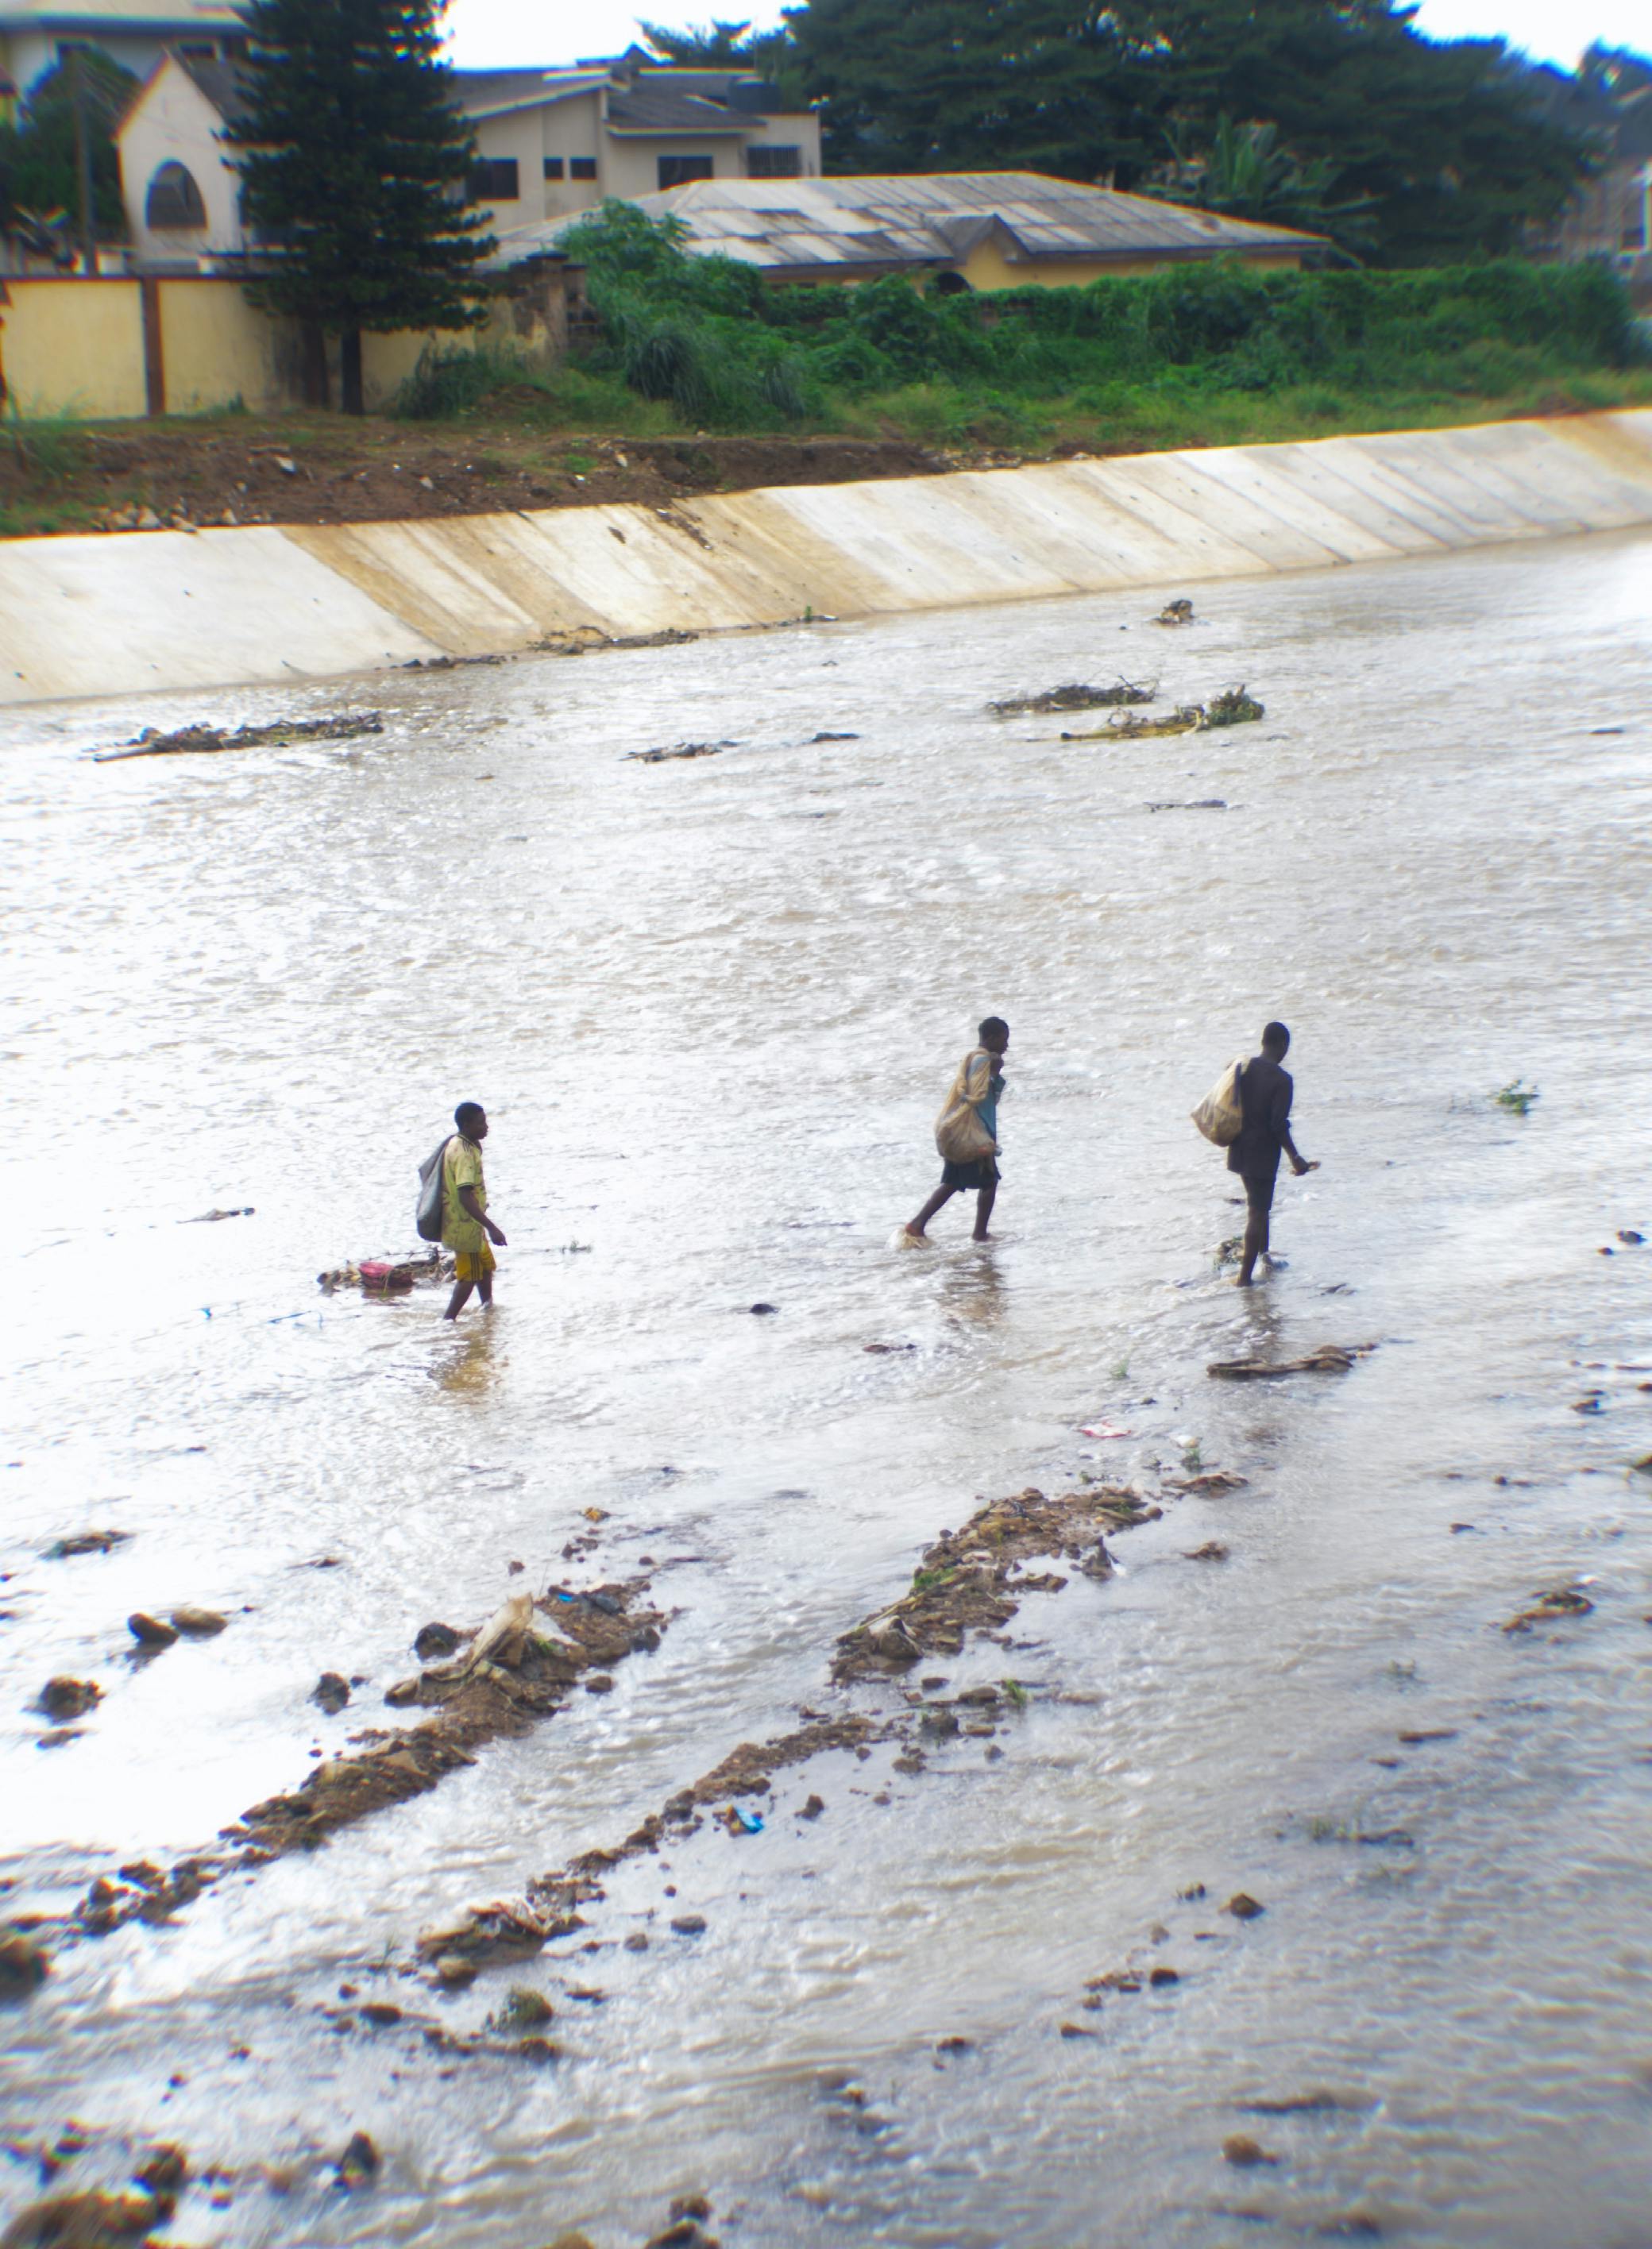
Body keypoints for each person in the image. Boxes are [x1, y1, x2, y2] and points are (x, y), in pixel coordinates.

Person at [905, 1017, 1009, 1244]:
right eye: (1004, 1039)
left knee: (953, 1181)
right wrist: (994, 1073)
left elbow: (982, 1095)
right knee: (988, 1182)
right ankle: (979, 1234)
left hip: (962, 1131)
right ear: (991, 1038)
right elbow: (979, 1097)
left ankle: (918, 1224)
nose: (1006, 1046)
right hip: (975, 1133)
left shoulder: (973, 1058)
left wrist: (996, 1073)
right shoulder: (982, 1061)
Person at [1229, 1022, 1317, 1287]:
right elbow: (1278, 1124)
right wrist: (1295, 1157)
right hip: (1262, 1155)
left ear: (1263, 1041)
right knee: (1257, 1211)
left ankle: (1265, 1258)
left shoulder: (1243, 1068)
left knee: (1259, 1206)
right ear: (1282, 1045)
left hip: (1239, 1148)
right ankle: (1244, 1278)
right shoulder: (1282, 1080)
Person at [442, 1101, 507, 1320]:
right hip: (464, 1225)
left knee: (485, 1267)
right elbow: (464, 1196)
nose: (486, 1127)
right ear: (467, 1125)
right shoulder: (464, 1154)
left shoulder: (462, 1143)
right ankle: (448, 1322)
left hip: (473, 1224)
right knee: (468, 1277)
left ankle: (487, 1311)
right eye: (481, 1123)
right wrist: (492, 1228)